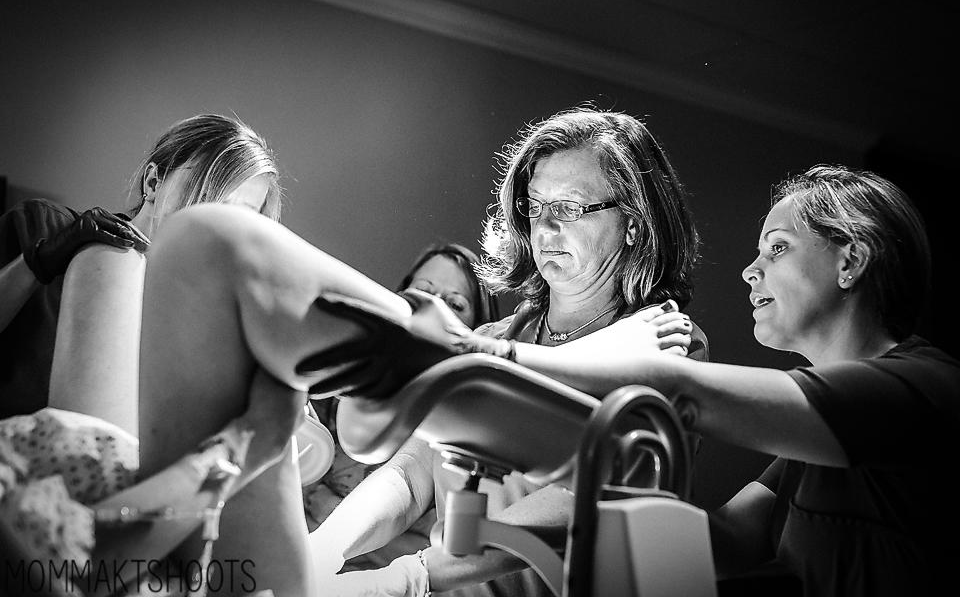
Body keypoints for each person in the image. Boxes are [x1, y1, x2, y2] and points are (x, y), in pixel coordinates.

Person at [312, 106, 708, 596]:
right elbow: (412, 472)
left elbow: (580, 500)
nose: (544, 228)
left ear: (633, 221)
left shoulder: (665, 340)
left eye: (569, 207)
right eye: (535, 206)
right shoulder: (504, 333)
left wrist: (412, 576)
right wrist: (326, 546)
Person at [511, 165, 960, 596]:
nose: (750, 270)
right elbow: (732, 540)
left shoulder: (926, 386)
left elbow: (686, 390)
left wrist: (492, 356)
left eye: (778, 247)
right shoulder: (808, 448)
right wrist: (604, 487)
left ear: (851, 261)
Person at [0, 113, 282, 431]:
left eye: (239, 215)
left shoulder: (203, 322)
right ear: (153, 182)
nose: (217, 225)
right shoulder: (42, 226)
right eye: (206, 197)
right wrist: (36, 263)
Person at [304, 243, 500, 570]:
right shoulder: (342, 385)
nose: (436, 309)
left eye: (455, 304)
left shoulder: (462, 427)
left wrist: (332, 519)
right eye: (424, 293)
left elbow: (441, 542)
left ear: (479, 330)